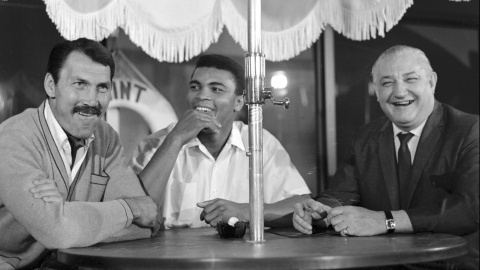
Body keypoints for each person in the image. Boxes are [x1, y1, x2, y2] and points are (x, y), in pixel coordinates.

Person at [293, 45, 479, 269]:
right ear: (376, 91)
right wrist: (318, 214)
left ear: (431, 82)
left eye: (410, 79)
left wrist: (384, 220)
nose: (400, 92)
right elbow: (340, 196)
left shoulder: (470, 130)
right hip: (380, 264)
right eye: (387, 83)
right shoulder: (365, 137)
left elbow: (469, 209)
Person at [0, 38, 159, 270]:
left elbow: (146, 226)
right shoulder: (14, 138)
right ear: (50, 86)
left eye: (102, 87)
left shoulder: (106, 137)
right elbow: (57, 231)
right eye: (79, 84)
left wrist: (65, 215)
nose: (92, 100)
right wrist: (130, 209)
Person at [132, 54, 311, 229]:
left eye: (216, 89)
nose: (202, 96)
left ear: (239, 102)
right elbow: (133, 209)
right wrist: (176, 139)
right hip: (172, 256)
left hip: (242, 255)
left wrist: (248, 211)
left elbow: (303, 204)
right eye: (195, 87)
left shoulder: (259, 142)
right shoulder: (157, 143)